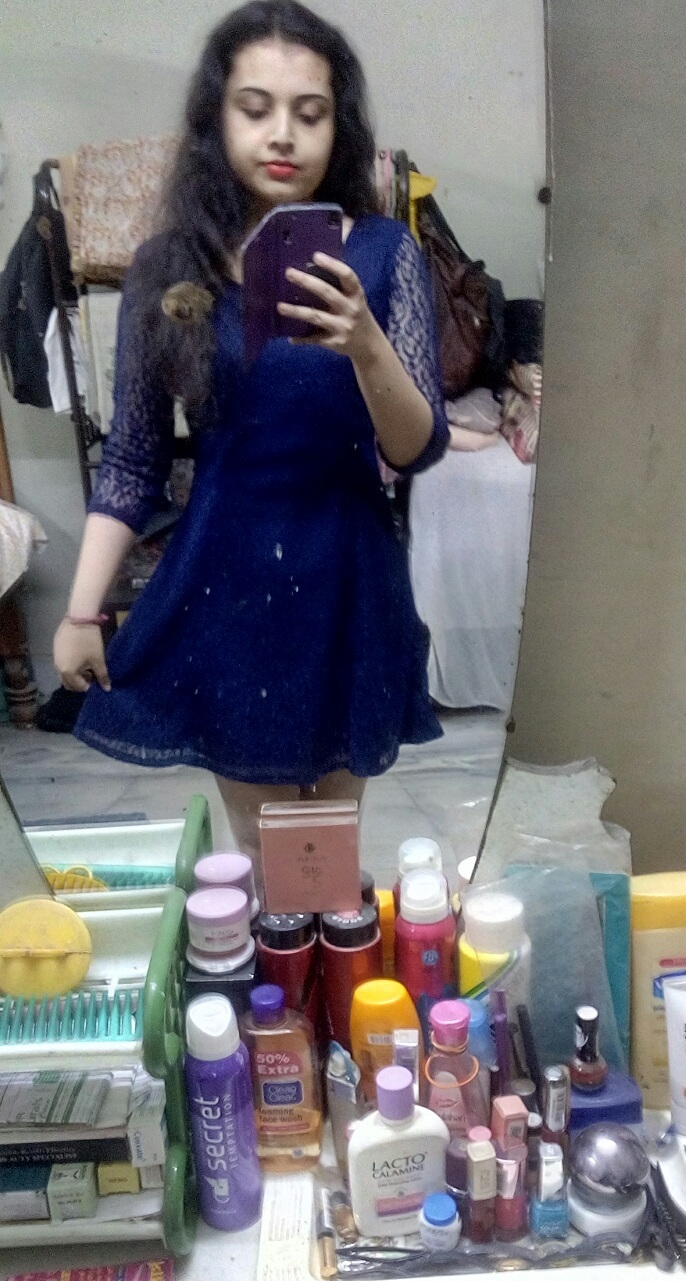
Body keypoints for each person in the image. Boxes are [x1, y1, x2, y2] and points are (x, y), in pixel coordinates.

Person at [53, 0, 448, 869]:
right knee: (270, 856)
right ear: (217, 118)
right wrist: (82, 609)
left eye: (310, 113)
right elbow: (133, 459)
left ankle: (334, 949)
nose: (283, 135)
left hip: (349, 573)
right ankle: (285, 958)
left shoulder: (384, 253)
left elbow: (418, 448)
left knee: (328, 857)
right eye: (255, 107)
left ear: (339, 128)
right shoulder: (170, 265)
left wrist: (366, 344)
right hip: (227, 578)